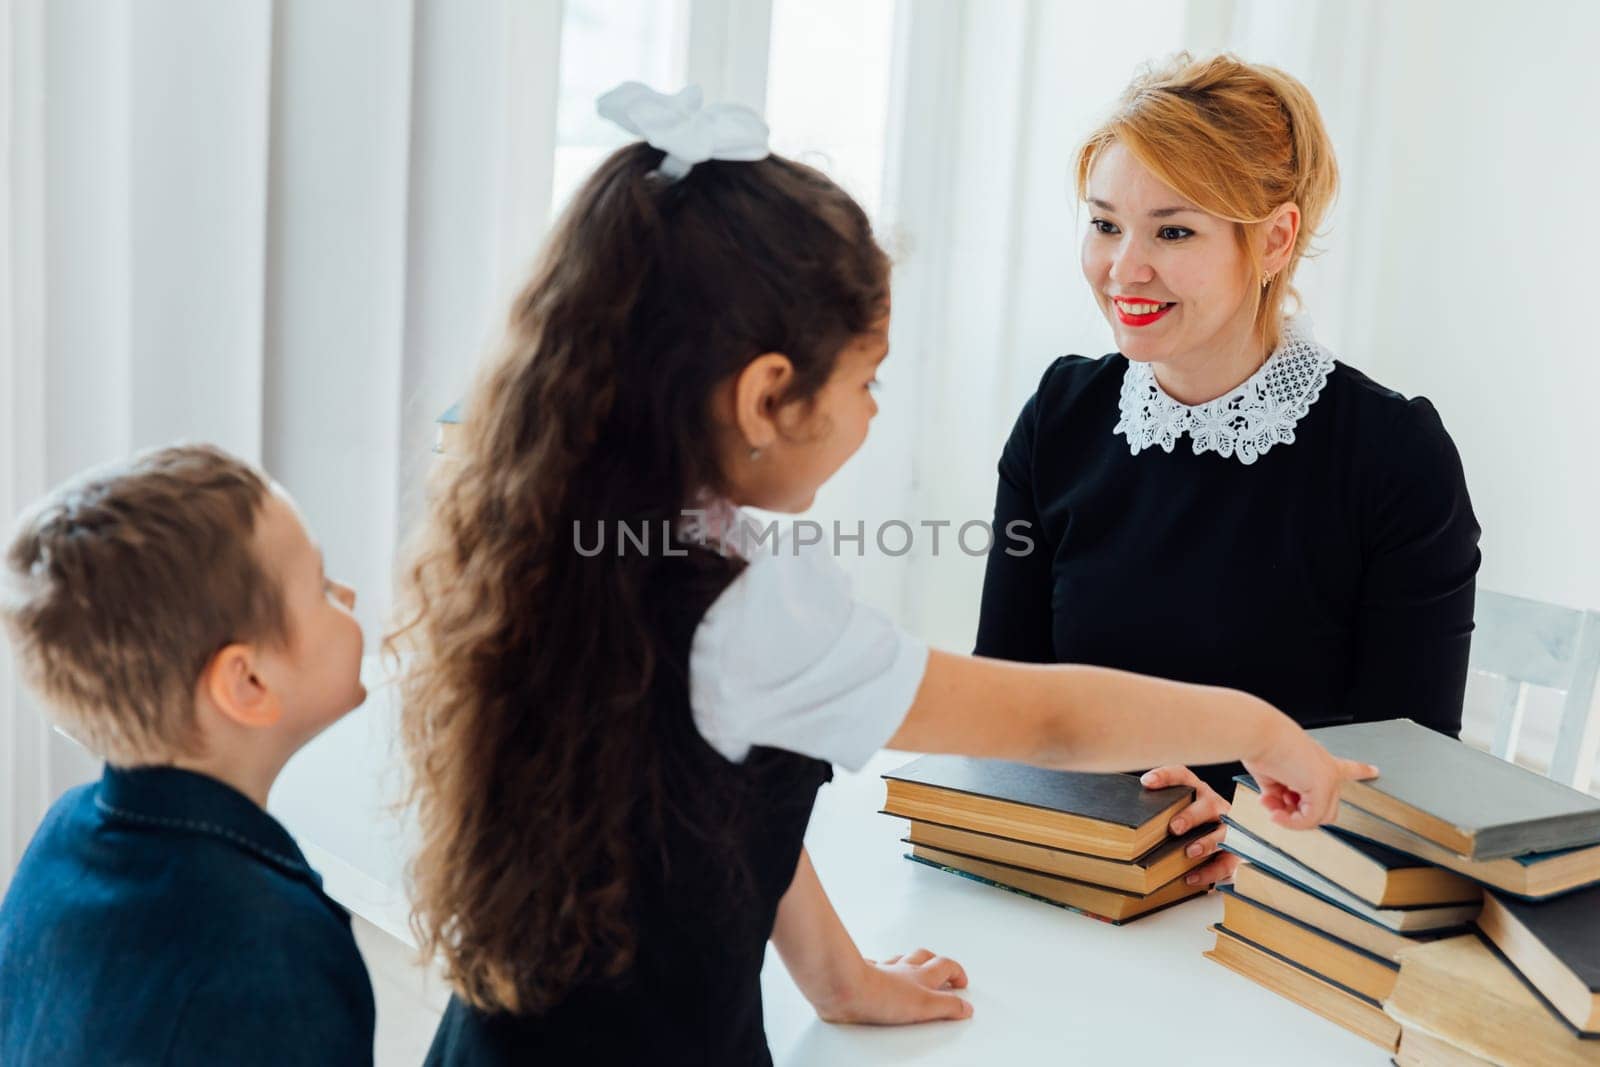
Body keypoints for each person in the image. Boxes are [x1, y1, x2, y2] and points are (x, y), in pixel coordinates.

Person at [393, 81, 1375, 1067]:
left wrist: (841, 982)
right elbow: (1045, 716)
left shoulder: (576, 533)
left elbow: (730, 808)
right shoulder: (747, 608)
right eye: (864, 380)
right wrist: (1257, 727)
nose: (871, 412)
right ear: (768, 395)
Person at [975, 53, 1481, 889]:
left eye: (1173, 231)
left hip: (1282, 899)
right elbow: (1006, 700)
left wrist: (1244, 819)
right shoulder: (1060, 417)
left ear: (1276, 238)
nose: (1124, 268)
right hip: (1077, 876)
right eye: (1104, 223)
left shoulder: (1395, 454)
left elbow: (1410, 765)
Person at [0, 444, 375, 1066]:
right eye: (322, 587)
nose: (350, 596)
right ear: (247, 683)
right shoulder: (276, 948)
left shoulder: (63, 832)